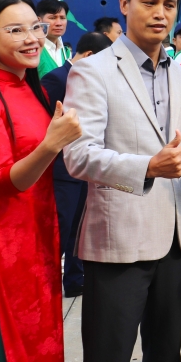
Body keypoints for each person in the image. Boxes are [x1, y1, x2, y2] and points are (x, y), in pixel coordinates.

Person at [64, 0, 181, 362]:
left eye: (169, 5)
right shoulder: (93, 72)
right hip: (120, 243)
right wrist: (148, 166)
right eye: (149, 2)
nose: (160, 13)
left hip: (178, 243)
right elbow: (78, 155)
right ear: (124, 5)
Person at [0, 0, 83, 362]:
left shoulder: (34, 88)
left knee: (41, 348)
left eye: (35, 27)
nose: (32, 37)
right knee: (5, 358)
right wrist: (50, 144)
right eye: (15, 29)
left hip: (38, 240)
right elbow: (2, 180)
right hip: (2, 247)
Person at [40, 31, 114, 298]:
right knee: (60, 229)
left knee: (78, 231)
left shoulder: (92, 80)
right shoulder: (55, 78)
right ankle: (45, 286)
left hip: (86, 168)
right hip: (61, 171)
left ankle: (74, 280)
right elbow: (44, 125)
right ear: (91, 57)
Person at [37, 0, 71, 78]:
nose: (59, 23)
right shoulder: (34, 50)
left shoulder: (66, 52)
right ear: (38, 20)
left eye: (62, 18)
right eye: (52, 18)